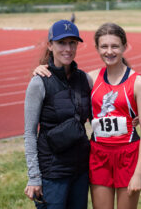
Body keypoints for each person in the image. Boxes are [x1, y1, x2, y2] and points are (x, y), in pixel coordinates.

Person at [33, 22, 141, 209]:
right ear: (97, 48)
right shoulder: (90, 79)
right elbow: (66, 81)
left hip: (128, 156)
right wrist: (41, 68)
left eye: (115, 46)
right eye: (104, 46)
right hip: (99, 156)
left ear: (124, 46)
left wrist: (138, 173)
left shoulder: (138, 82)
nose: (109, 51)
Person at [24, 19, 92, 209]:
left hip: (80, 171)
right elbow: (29, 133)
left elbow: (98, 121)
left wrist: (131, 120)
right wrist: (34, 177)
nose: (68, 49)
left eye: (73, 43)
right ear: (50, 45)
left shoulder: (85, 79)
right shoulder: (39, 82)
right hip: (53, 173)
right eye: (62, 43)